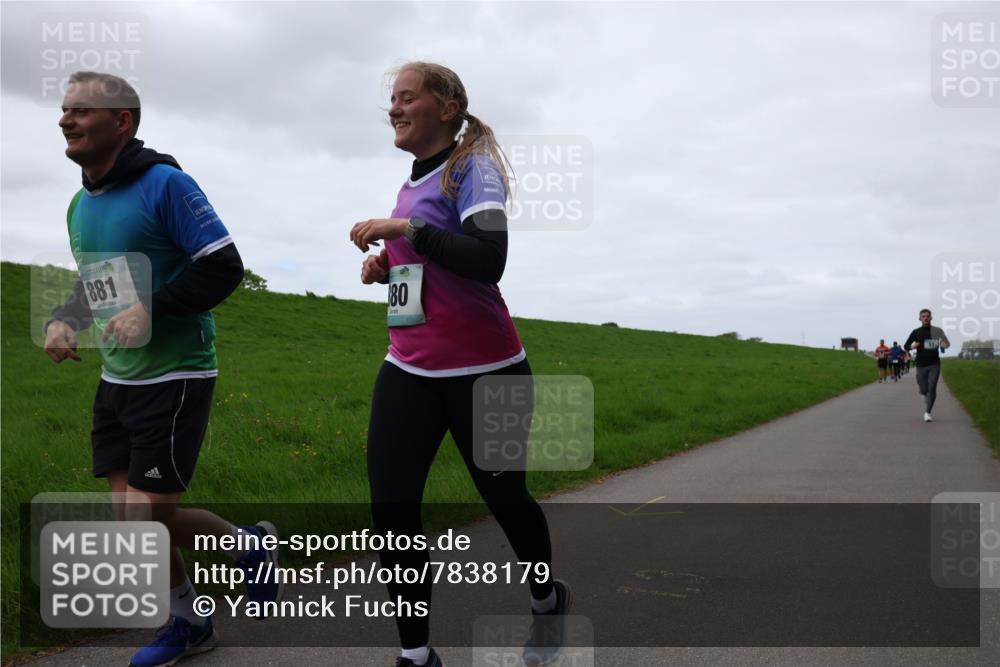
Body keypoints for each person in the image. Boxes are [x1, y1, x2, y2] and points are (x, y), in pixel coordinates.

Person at [44, 71, 281, 667]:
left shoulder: (166, 184)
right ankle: (206, 602)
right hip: (116, 379)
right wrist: (64, 320)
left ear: (121, 121)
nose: (66, 120)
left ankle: (223, 578)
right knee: (138, 522)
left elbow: (223, 266)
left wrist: (151, 307)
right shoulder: (79, 204)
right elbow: (97, 281)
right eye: (64, 109)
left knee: (145, 514)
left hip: (176, 373)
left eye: (81, 110)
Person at [350, 62, 569, 667]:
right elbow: (430, 268)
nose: (394, 109)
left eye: (407, 98)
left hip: (487, 371)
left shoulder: (475, 169)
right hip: (409, 370)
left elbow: (487, 259)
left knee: (506, 499)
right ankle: (416, 655)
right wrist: (389, 267)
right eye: (391, 100)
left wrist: (407, 229)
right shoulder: (411, 182)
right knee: (392, 510)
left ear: (448, 109)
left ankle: (547, 600)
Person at [902, 308, 951, 422]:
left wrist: (942, 343)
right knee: (924, 390)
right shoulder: (916, 332)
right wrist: (912, 347)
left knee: (932, 388)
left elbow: (947, 344)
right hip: (921, 364)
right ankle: (924, 393)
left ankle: (928, 413)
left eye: (928, 316)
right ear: (920, 318)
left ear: (931, 318)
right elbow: (906, 346)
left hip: (934, 364)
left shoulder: (937, 331)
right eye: (923, 316)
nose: (926, 318)